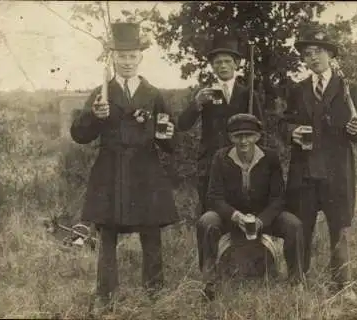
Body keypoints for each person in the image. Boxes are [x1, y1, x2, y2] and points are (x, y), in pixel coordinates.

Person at [70, 22, 179, 311]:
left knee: (151, 232)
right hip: (111, 170)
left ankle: (155, 295)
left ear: (140, 58)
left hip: (146, 171)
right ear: (112, 58)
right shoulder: (100, 93)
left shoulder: (153, 94)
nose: (127, 62)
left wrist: (165, 133)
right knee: (107, 235)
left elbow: (169, 140)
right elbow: (80, 135)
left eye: (132, 56)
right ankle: (105, 297)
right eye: (121, 56)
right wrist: (95, 116)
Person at [280, 25, 357, 302]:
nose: (313, 58)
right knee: (300, 227)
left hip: (336, 172)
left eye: (318, 52)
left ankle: (343, 286)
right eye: (307, 54)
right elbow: (283, 123)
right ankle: (298, 284)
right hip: (304, 172)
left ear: (330, 55)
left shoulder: (348, 88)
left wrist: (355, 129)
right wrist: (290, 131)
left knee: (339, 227)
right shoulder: (297, 89)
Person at [197, 113, 305, 301]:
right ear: (231, 137)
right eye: (238, 136)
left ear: (257, 137)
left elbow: (278, 198)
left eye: (249, 135)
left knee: (293, 224)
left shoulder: (270, 157)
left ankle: (297, 281)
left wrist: (261, 221)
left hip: (263, 217)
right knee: (207, 222)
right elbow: (214, 196)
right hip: (231, 217)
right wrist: (235, 216)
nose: (243, 141)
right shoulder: (220, 157)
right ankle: (209, 282)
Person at [176, 35, 264, 218]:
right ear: (212, 66)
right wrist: (196, 103)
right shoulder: (204, 93)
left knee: (240, 214)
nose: (222, 66)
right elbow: (183, 125)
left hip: (241, 163)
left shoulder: (248, 94)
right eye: (217, 62)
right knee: (209, 217)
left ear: (236, 64)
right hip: (210, 164)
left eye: (227, 61)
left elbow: (260, 130)